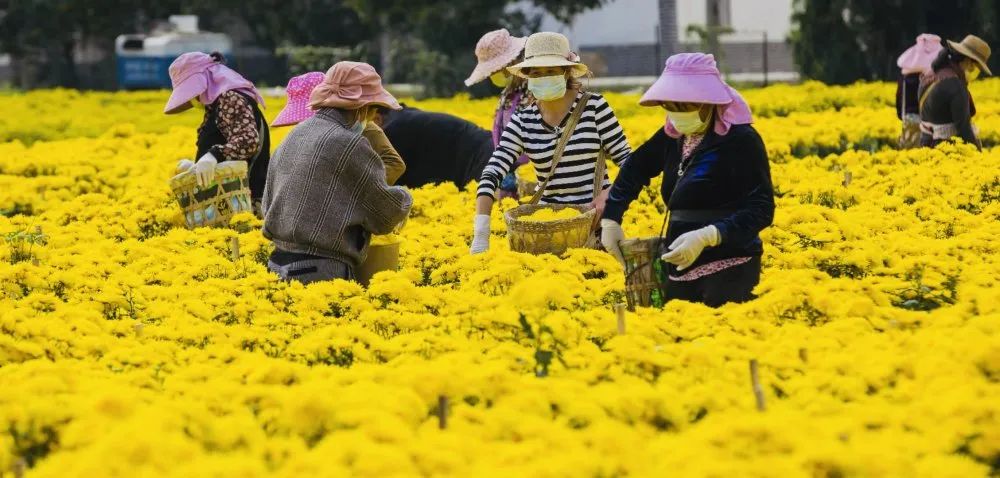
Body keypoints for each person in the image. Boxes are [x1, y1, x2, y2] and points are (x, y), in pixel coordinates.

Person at [600, 53, 774, 308]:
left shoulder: (741, 139)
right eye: (670, 106)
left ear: (709, 102)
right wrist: (611, 217)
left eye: (685, 106)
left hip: (731, 264)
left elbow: (762, 208)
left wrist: (709, 235)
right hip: (679, 261)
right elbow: (636, 166)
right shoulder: (674, 135)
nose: (676, 114)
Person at [470, 32, 632, 254]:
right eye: (536, 72)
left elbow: (629, 162)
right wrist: (481, 232)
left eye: (551, 70)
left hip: (596, 227)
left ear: (566, 72)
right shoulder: (523, 121)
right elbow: (492, 171)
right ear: (526, 76)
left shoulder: (594, 107)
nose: (543, 77)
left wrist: (609, 195)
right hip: (550, 230)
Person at [261, 62, 412, 284]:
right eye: (372, 110)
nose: (370, 119)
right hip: (318, 272)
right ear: (362, 107)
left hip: (275, 266)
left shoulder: (294, 135)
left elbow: (268, 202)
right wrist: (405, 198)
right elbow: (384, 213)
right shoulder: (349, 143)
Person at [165, 52, 270, 212]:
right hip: (226, 202)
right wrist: (196, 165)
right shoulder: (215, 102)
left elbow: (248, 140)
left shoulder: (229, 97)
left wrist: (213, 155)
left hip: (242, 204)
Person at [272, 71, 406, 184]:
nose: (306, 125)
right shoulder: (306, 133)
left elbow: (395, 164)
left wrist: (356, 189)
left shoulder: (365, 128)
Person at [465, 28, 532, 199]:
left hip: (533, 178)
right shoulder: (507, 93)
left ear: (512, 62)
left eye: (496, 70)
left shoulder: (534, 91)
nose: (493, 75)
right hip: (508, 173)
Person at [371, 105, 494, 189]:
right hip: (484, 150)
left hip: (483, 157)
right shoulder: (398, 116)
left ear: (377, 119)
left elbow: (383, 180)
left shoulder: (393, 129)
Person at [919, 35, 992, 150]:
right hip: (947, 151)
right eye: (976, 68)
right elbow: (964, 129)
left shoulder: (931, 73)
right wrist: (979, 155)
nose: (974, 73)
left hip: (925, 146)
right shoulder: (956, 86)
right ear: (969, 62)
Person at [896, 34, 942, 149]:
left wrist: (905, 116)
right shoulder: (937, 76)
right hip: (932, 123)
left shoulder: (906, 75)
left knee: (911, 155)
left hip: (910, 119)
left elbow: (899, 100)